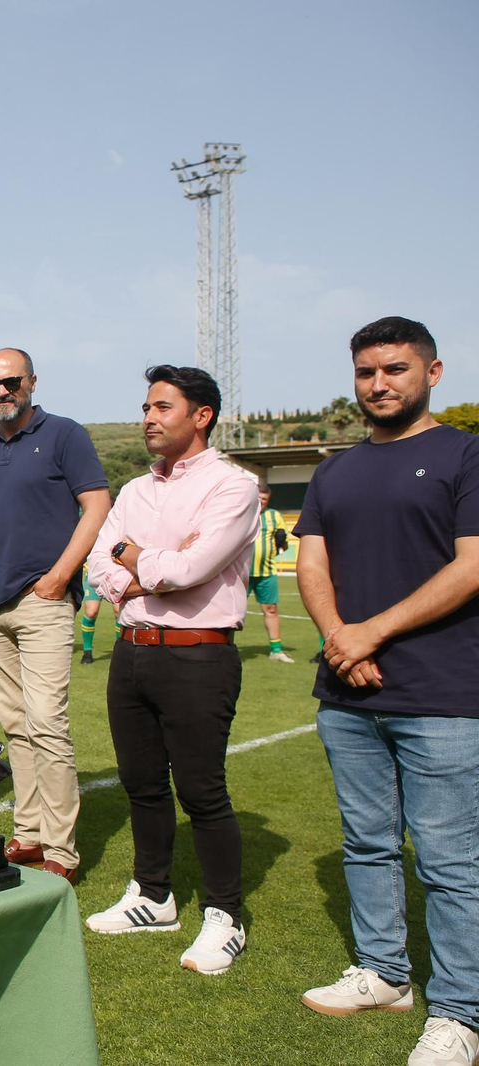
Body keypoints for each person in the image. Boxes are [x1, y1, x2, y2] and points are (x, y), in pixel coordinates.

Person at [293, 316, 479, 1066]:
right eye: (367, 372)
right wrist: (343, 638)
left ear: (432, 372)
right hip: (348, 697)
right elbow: (312, 565)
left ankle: (460, 1013)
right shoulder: (335, 469)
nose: (379, 384)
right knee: (368, 845)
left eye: (396, 370)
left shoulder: (465, 454)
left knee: (448, 860)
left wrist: (369, 633)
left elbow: (471, 566)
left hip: (442, 693)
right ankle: (384, 973)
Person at [83, 365, 257, 976]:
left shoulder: (232, 487)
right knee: (142, 784)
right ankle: (153, 896)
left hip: (198, 654)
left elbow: (191, 570)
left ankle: (224, 916)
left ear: (200, 415)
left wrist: (138, 560)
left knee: (203, 791)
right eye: (146, 407)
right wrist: (144, 567)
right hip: (133, 650)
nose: (148, 418)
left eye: (161, 407)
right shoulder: (133, 491)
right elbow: (99, 564)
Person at [0, 348, 111, 884]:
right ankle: (31, 835)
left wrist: (61, 576)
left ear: (32, 382)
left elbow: (98, 505)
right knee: (16, 726)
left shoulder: (65, 435)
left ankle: (62, 849)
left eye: (11, 382)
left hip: (42, 604)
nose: (2, 392)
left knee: (47, 723)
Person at [250, 484, 294, 662]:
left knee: (271, 609)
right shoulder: (240, 512)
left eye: (264, 499)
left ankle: (276, 650)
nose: (261, 502)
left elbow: (283, 542)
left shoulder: (275, 516)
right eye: (258, 498)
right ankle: (222, 648)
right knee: (231, 612)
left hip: (266, 571)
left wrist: (281, 541)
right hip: (239, 573)